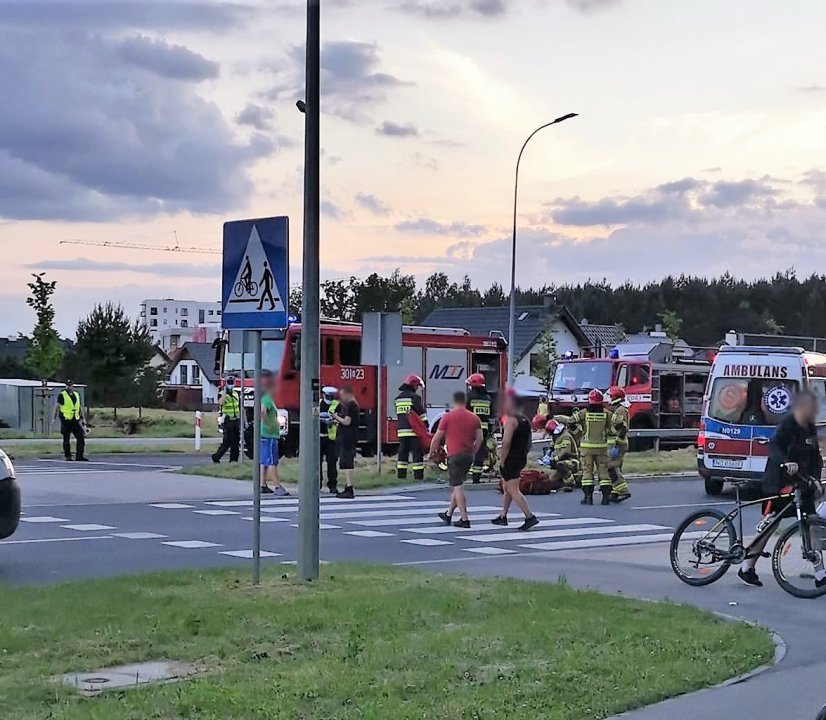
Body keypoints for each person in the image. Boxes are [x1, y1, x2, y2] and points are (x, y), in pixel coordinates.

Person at [738, 390, 825, 588]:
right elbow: (775, 446)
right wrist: (787, 463)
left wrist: (816, 479)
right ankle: (747, 567)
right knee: (771, 524)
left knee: (811, 524)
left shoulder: (809, 427)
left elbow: (815, 457)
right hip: (779, 482)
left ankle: (821, 573)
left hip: (801, 484)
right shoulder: (788, 423)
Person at [429, 391, 483, 528]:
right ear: (465, 402)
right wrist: (473, 451)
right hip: (468, 455)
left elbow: (436, 438)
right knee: (458, 483)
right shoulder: (474, 418)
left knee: (457, 487)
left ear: (454, 402)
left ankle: (465, 519)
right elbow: (480, 438)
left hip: (454, 454)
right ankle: (448, 514)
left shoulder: (448, 417)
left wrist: (431, 452)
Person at [491, 388, 539, 531]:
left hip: (511, 458)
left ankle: (529, 516)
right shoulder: (524, 419)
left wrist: (502, 460)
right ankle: (503, 515)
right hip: (520, 456)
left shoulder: (511, 420)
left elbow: (506, 443)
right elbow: (529, 442)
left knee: (513, 489)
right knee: (507, 487)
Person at [573, 389, 613, 505]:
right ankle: (605, 499)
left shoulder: (584, 413)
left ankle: (588, 498)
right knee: (603, 472)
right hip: (602, 447)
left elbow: (571, 421)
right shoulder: (606, 413)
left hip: (586, 448)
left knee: (587, 472)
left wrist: (578, 432)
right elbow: (619, 423)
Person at [260, 370, 288, 496]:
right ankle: (277, 486)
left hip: (266, 434)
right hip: (269, 435)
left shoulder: (268, 399)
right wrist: (268, 426)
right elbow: (263, 412)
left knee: (264, 461)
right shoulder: (267, 399)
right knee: (272, 461)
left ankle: (263, 484)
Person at [395, 374, 428, 481]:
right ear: (413, 385)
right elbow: (421, 413)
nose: (417, 388)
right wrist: (425, 424)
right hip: (414, 431)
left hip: (401, 431)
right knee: (417, 454)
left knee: (402, 454)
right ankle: (418, 477)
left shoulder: (398, 399)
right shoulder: (415, 398)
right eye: (417, 386)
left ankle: (401, 476)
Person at [333, 385, 360, 499]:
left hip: (348, 437)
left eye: (343, 395)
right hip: (346, 436)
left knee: (347, 462)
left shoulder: (352, 405)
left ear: (348, 394)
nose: (342, 398)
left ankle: (349, 488)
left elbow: (347, 421)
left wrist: (336, 417)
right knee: (344, 462)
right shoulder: (351, 405)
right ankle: (347, 486)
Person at [466, 372, 492, 484]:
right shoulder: (487, 398)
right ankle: (476, 477)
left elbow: (464, 413)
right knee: (480, 453)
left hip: (471, 429)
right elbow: (491, 415)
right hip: (484, 430)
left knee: (466, 450)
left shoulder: (469, 397)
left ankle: (463, 473)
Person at [607, 386, 632, 503]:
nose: (609, 398)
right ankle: (615, 491)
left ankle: (623, 491)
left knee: (611, 467)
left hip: (619, 443)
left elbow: (622, 427)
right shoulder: (619, 408)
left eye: (610, 396)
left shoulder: (620, 410)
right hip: (620, 442)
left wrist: (617, 442)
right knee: (616, 468)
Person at [54, 380, 87, 461]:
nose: (69, 387)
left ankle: (79, 455)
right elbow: (57, 406)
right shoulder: (62, 395)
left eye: (70, 385)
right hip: (66, 419)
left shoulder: (76, 394)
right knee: (66, 438)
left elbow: (79, 407)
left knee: (80, 437)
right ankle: (68, 456)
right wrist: (54, 417)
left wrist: (83, 418)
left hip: (75, 419)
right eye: (67, 385)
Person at [212, 375, 241, 463]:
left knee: (236, 442)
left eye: (232, 382)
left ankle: (233, 461)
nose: (231, 384)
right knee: (227, 442)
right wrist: (225, 392)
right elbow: (220, 402)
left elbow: (239, 406)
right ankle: (216, 457)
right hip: (228, 421)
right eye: (229, 382)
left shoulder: (236, 393)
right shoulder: (222, 393)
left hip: (236, 420)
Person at [545, 419, 579, 492]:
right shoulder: (557, 438)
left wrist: (555, 460)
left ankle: (570, 482)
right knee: (550, 483)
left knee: (561, 464)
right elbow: (553, 447)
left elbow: (566, 452)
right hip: (559, 464)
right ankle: (566, 481)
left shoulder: (565, 436)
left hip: (572, 462)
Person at [319, 386, 339, 495]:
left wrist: (333, 421)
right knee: (318, 463)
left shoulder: (337, 405)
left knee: (332, 463)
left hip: (331, 438)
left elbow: (341, 418)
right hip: (319, 437)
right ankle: (318, 484)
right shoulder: (318, 404)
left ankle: (332, 485)